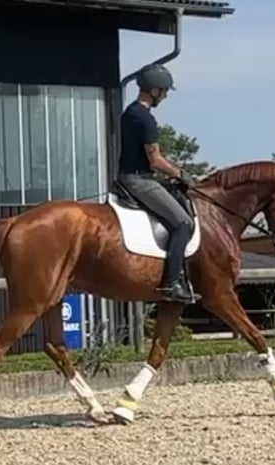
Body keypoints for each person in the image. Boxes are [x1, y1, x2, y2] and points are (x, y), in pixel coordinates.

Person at [117, 63, 198, 304]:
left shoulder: (129, 113)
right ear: (154, 91)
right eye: (164, 91)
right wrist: (181, 173)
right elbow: (155, 158)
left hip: (131, 175)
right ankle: (171, 283)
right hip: (139, 180)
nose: (165, 96)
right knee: (183, 222)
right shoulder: (145, 119)